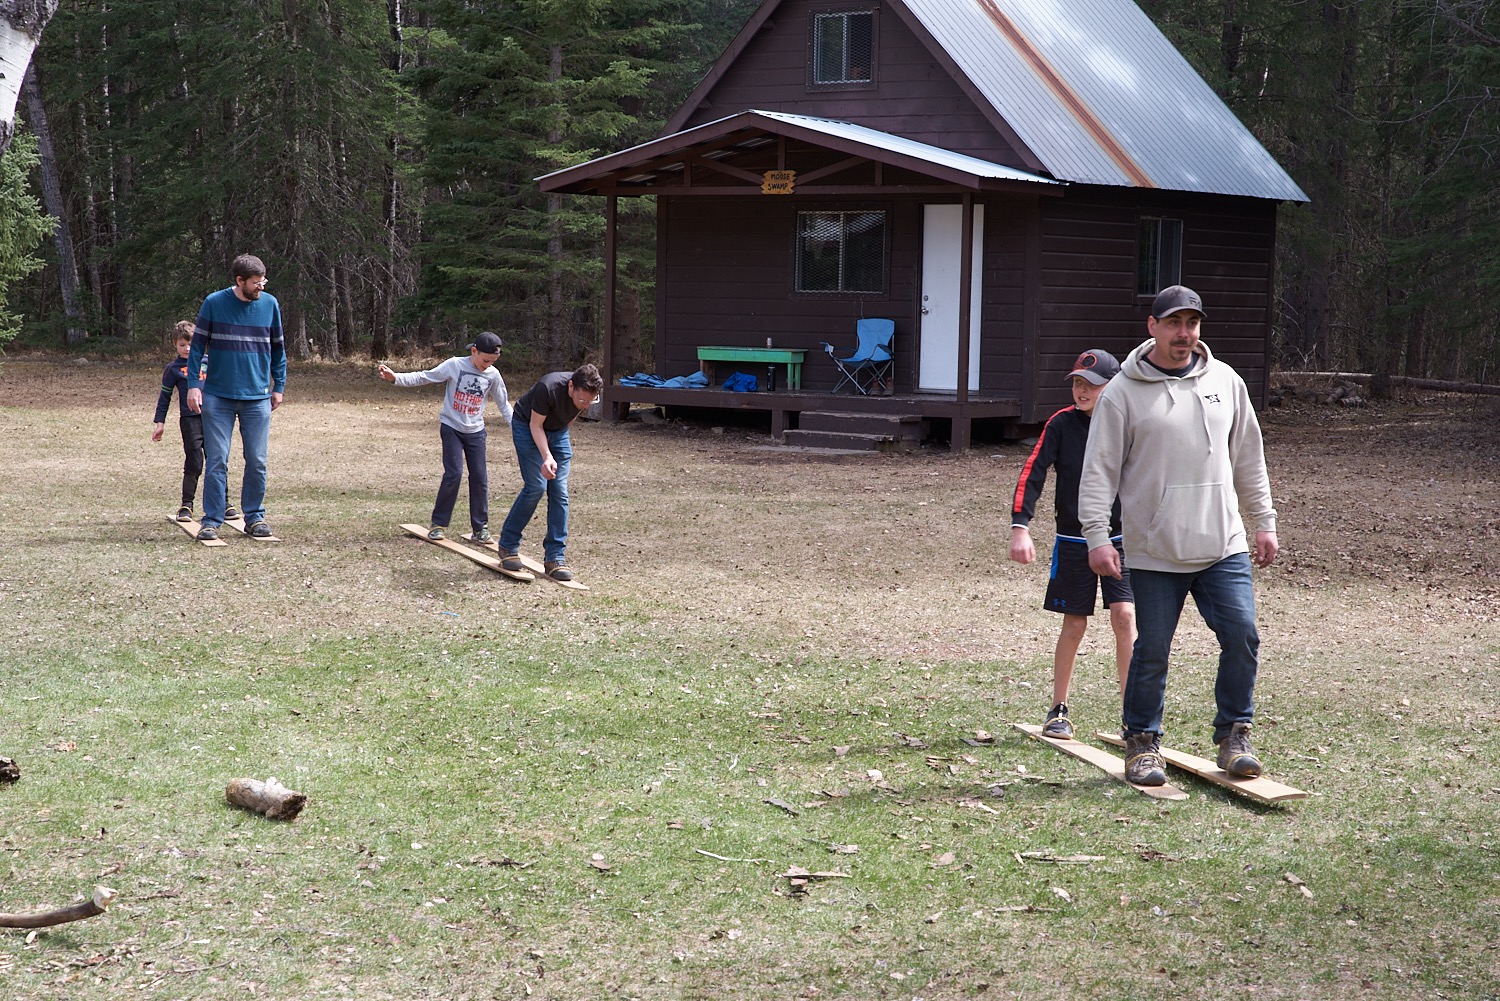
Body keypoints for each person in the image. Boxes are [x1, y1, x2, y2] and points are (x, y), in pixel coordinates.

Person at [1078, 285, 1278, 785]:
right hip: (1154, 549)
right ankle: (1142, 743)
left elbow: (1248, 458)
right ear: (1153, 327)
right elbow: (1099, 470)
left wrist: (1264, 521)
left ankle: (1235, 736)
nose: (1183, 333)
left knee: (1242, 634)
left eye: (1191, 323)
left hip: (1221, 542)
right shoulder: (1122, 393)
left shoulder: (1226, 381)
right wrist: (1097, 536)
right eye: (1173, 323)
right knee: (1152, 650)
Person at [1010, 349, 1135, 739]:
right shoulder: (1061, 424)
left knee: (1125, 617)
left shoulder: (1128, 423)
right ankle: (1058, 710)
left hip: (1122, 539)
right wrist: (1020, 526)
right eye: (1078, 383)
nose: (1082, 391)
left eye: (1091, 385)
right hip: (1073, 539)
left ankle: (1134, 717)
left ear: (1112, 387)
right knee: (1075, 622)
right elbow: (1032, 472)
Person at [185, 254, 286, 541]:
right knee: (217, 460)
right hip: (218, 396)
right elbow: (197, 348)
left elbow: (278, 349)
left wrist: (278, 386)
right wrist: (194, 385)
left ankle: (254, 517)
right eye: (255, 283)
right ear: (239, 281)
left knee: (257, 460)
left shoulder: (270, 305)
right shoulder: (214, 303)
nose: (261, 287)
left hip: (257, 397)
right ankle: (211, 520)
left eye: (263, 281)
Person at [378, 331, 513, 542]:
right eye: (485, 360)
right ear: (474, 351)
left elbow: (504, 405)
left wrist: (519, 430)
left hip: (476, 432)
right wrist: (396, 378)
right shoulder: (455, 365)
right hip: (452, 428)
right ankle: (438, 524)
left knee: (480, 478)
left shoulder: (493, 375)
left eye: (492, 361)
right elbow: (425, 376)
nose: (487, 365)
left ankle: (480, 528)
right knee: (454, 473)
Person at [496, 364, 604, 582]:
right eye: (582, 400)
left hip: (558, 431)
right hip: (527, 426)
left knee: (560, 492)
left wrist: (556, 444)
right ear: (571, 386)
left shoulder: (585, 396)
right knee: (536, 487)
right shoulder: (548, 387)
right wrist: (547, 456)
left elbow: (568, 418)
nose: (585, 405)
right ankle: (508, 546)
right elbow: (536, 425)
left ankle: (555, 558)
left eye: (590, 401)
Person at [153, 321, 238, 523]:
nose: (187, 349)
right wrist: (160, 423)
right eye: (182, 345)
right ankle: (187, 505)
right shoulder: (173, 369)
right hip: (190, 420)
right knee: (195, 461)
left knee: (217, 459)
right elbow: (164, 397)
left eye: (191, 344)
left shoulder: (210, 362)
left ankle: (224, 503)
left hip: (213, 418)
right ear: (175, 344)